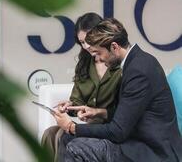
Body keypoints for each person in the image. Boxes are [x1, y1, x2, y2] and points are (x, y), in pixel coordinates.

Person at [54, 18, 182, 162]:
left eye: (98, 53)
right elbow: (130, 112)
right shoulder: (136, 62)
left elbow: (117, 131)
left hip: (152, 151)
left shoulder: (138, 70)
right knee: (66, 138)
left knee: (76, 147)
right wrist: (100, 113)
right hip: (137, 141)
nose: (99, 59)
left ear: (114, 47)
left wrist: (72, 127)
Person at [41, 13, 122, 162]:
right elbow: (77, 101)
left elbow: (123, 113)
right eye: (82, 42)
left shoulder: (118, 65)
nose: (87, 46)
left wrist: (97, 113)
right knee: (50, 134)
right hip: (88, 127)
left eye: (89, 41)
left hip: (107, 128)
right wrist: (69, 106)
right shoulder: (85, 63)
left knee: (62, 136)